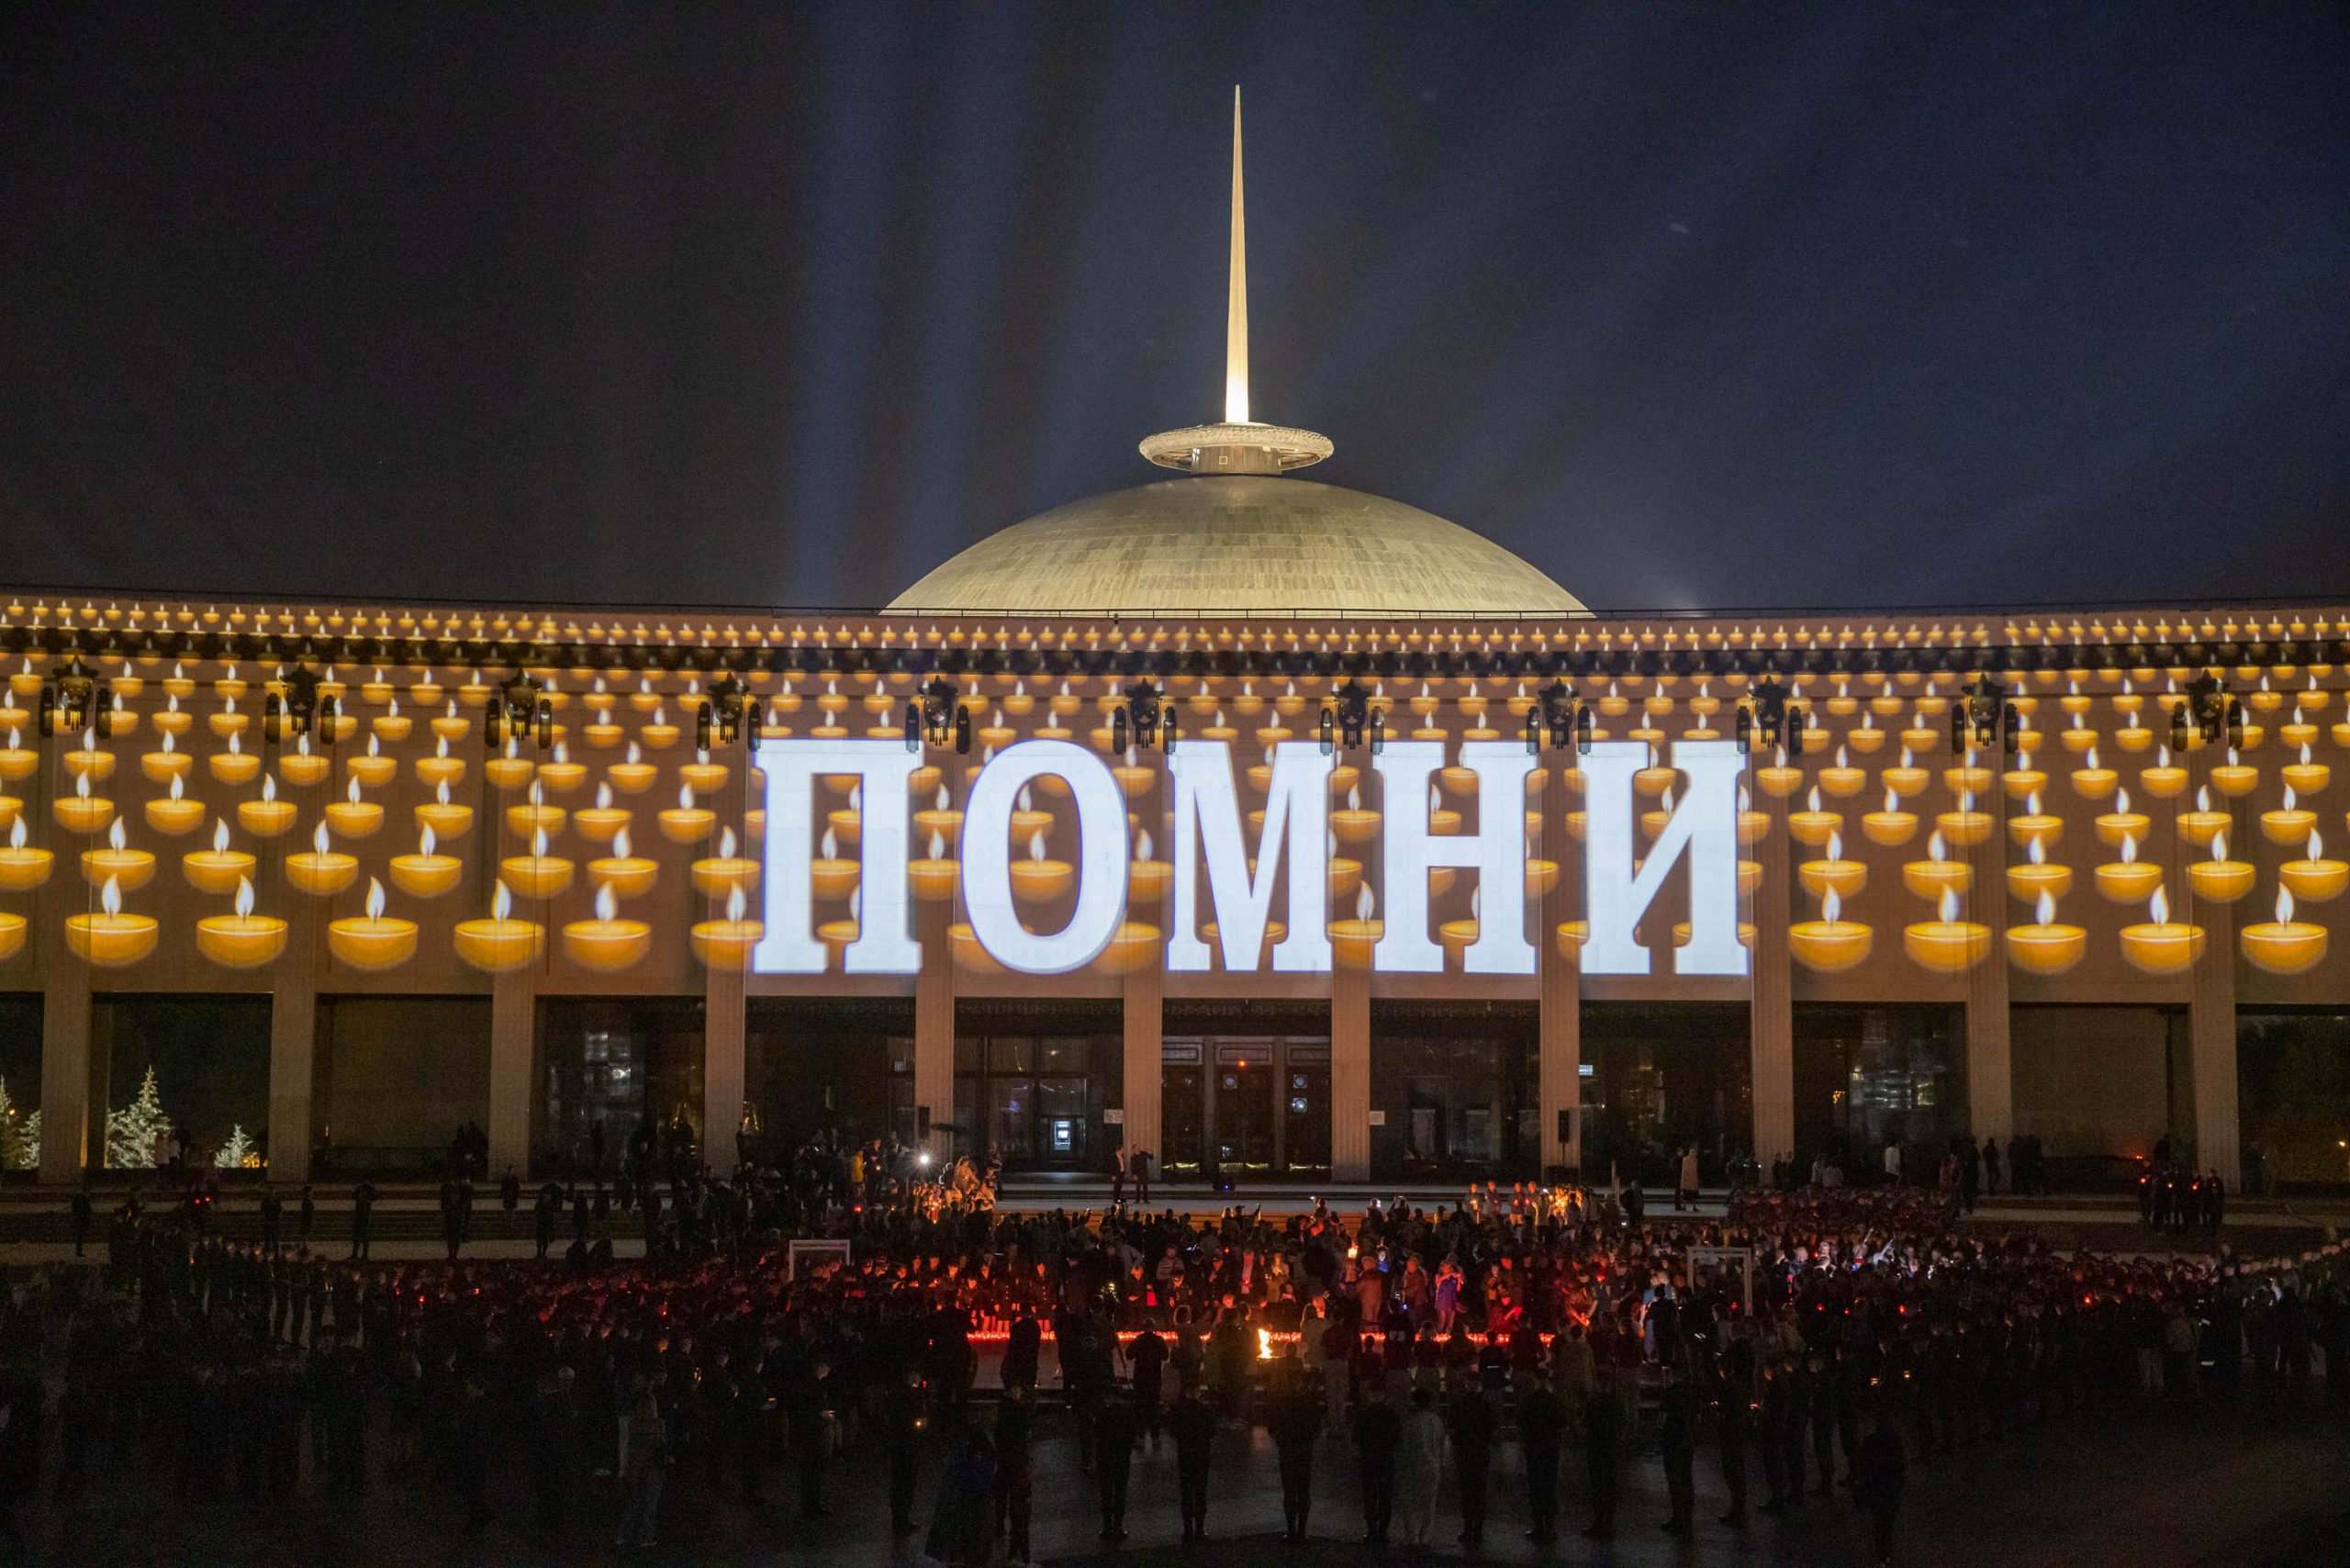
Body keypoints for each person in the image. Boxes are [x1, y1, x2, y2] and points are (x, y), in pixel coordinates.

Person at [927, 1428, 1000, 1568]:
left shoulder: (962, 1462)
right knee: (979, 1538)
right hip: (978, 1501)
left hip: (968, 1502)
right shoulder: (983, 1462)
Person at [1267, 1363, 1322, 1541]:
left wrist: (1279, 1436)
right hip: (1304, 1449)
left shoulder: (1280, 1401)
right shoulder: (1308, 1401)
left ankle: (1291, 1530)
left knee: (1290, 1490)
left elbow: (1272, 1425)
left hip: (1288, 1449)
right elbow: (1317, 1426)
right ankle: (1302, 1530)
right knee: (1303, 1490)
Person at [1516, 1364, 1566, 1542]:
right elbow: (1562, 1421)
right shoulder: (1554, 1400)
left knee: (1536, 1486)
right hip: (1551, 1448)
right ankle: (1550, 1525)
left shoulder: (1529, 1401)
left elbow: (1521, 1422)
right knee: (1550, 1486)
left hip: (1534, 1448)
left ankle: (1538, 1524)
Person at [1853, 1410, 1907, 1566]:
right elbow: (1899, 1467)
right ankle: (1884, 1555)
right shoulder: (1894, 1442)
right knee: (1886, 1525)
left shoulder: (1871, 1441)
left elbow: (1862, 1464)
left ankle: (1882, 1555)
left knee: (1880, 1524)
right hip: (1888, 1489)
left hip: (1877, 1488)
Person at [1352, 1381, 1402, 1547]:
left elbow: (1356, 1438)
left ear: (1369, 1395)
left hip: (1368, 1460)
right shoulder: (1391, 1415)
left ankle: (1372, 1529)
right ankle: (1383, 1531)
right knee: (1385, 1497)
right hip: (1386, 1459)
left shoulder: (1364, 1415)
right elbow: (1398, 1438)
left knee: (1370, 1496)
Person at [1397, 1385, 1445, 1547]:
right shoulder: (1436, 1420)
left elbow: (1405, 1447)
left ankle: (1412, 1537)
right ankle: (1425, 1537)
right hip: (1433, 1466)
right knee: (1429, 1503)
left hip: (1414, 1465)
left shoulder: (1410, 1422)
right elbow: (1441, 1444)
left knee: (1410, 1502)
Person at [1169, 1381, 1215, 1543]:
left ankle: (1188, 1530)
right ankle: (1200, 1529)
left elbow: (1172, 1430)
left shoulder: (1179, 1412)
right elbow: (1212, 1431)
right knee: (1200, 1493)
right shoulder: (1205, 1411)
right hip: (1201, 1455)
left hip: (1185, 1455)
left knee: (1187, 1493)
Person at [996, 1384, 1036, 1566]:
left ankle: (1000, 1527)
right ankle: (1020, 1549)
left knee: (1002, 1494)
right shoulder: (1020, 1413)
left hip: (1005, 1459)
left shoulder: (1002, 1411)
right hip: (1016, 1461)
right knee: (1019, 1506)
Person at [1583, 1369, 1627, 1539]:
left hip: (1596, 1447)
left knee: (1597, 1485)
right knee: (1609, 1483)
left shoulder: (1594, 1403)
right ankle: (1608, 1522)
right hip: (1610, 1446)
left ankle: (1599, 1521)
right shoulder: (1615, 1403)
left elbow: (1586, 1423)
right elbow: (1622, 1423)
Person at [1660, 1354, 1700, 1535]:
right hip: (1687, 1440)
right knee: (1686, 1478)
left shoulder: (1671, 1393)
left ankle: (1678, 1516)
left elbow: (1661, 1418)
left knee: (1675, 1481)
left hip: (1673, 1441)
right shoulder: (1691, 1393)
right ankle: (1687, 1516)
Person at [1094, 1389, 1138, 1541]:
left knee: (1106, 1493)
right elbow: (1131, 1436)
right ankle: (1117, 1526)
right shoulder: (1126, 1415)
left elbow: (1097, 1434)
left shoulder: (1102, 1414)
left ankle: (1107, 1527)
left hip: (1105, 1458)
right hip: (1120, 1458)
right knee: (1120, 1493)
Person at [348, 1179, 375, 1260]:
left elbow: (374, 1198)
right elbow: (353, 1196)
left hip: (365, 1215)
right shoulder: (359, 1189)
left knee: (365, 1235)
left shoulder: (370, 1190)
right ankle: (355, 1254)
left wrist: (366, 1196)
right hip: (359, 1214)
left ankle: (364, 1255)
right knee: (356, 1235)